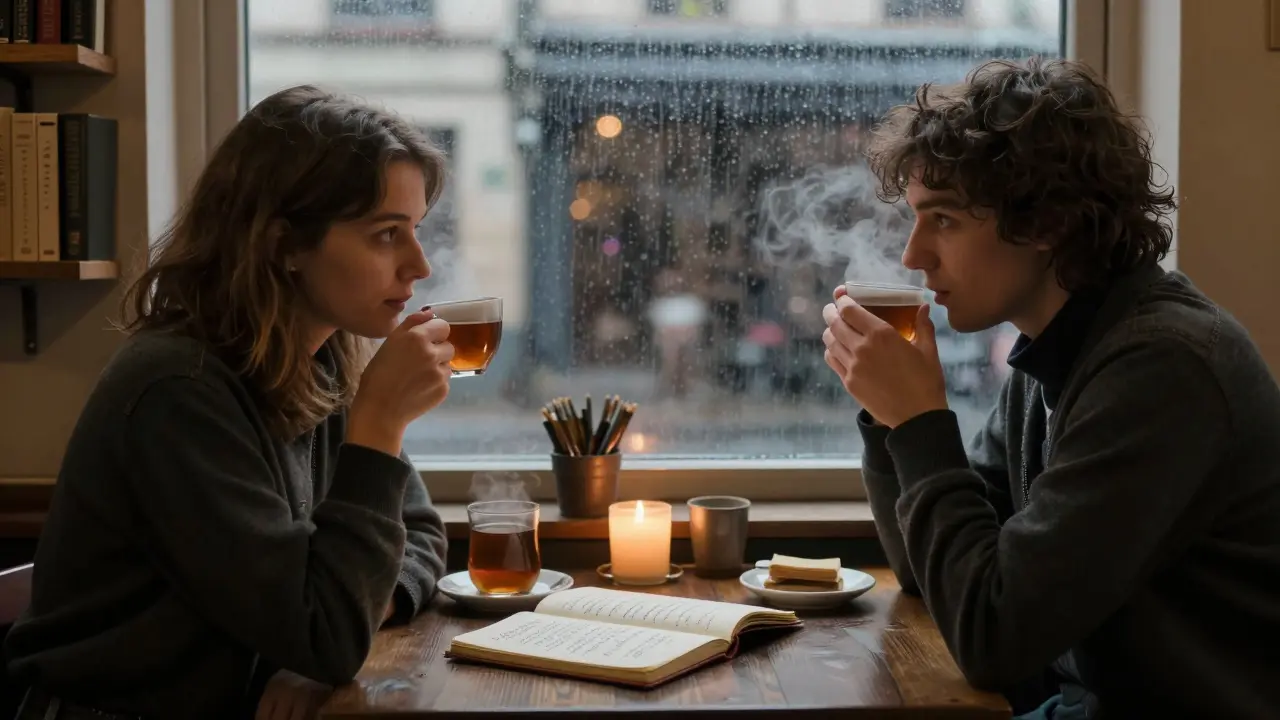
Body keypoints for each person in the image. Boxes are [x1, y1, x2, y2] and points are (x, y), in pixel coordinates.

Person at [822, 57, 1280, 719]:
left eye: (944, 220)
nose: (913, 256)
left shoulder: (1162, 368)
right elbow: (936, 576)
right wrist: (890, 416)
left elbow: (994, 637)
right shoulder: (1057, 353)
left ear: (1046, 223)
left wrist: (919, 421)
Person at [3, 85, 455, 719]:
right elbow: (326, 631)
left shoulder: (321, 355)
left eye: (415, 231)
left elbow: (421, 537)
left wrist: (319, 640)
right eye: (386, 235)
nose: (420, 266)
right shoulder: (179, 391)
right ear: (283, 245)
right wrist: (380, 422)